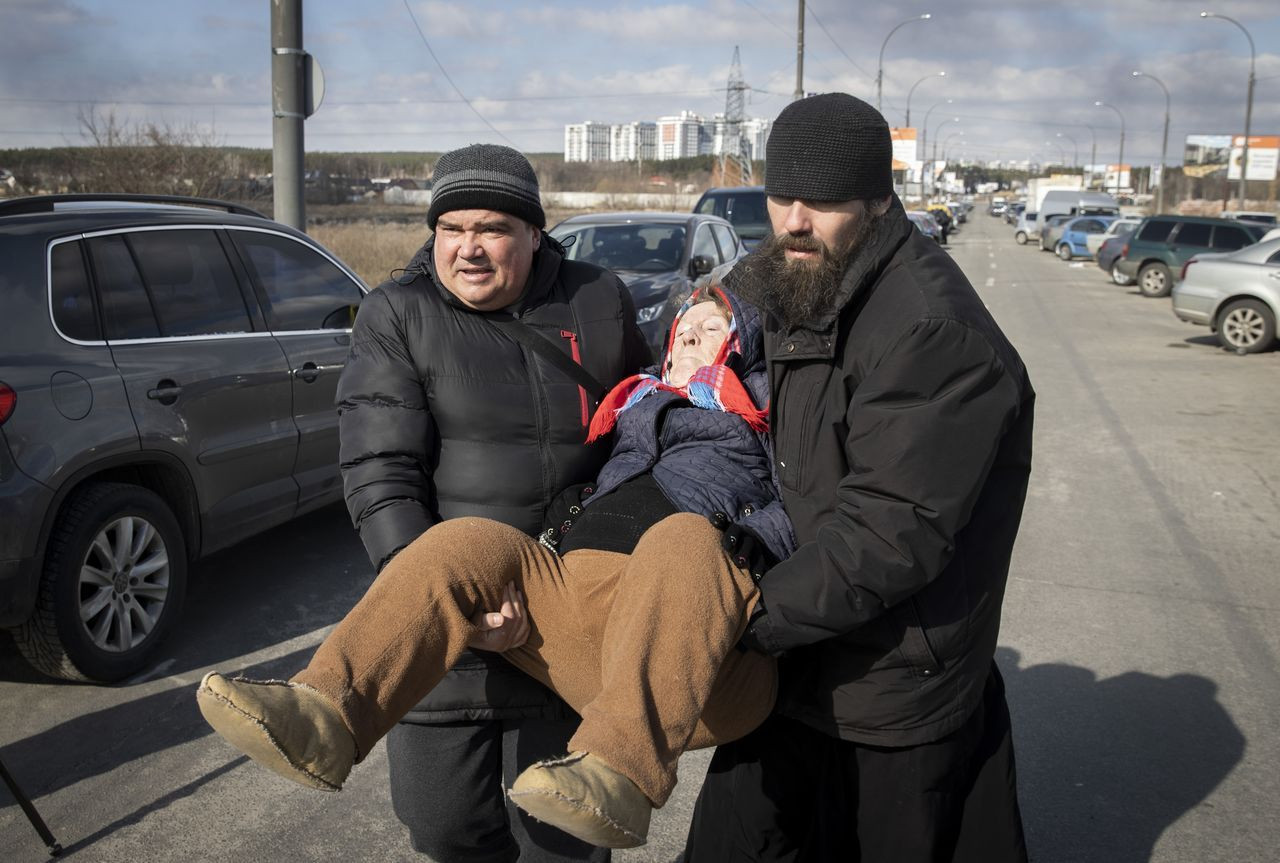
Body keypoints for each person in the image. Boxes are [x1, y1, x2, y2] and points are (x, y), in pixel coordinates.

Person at [196, 285, 793, 850]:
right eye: (684, 326)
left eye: (711, 327)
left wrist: (757, 542)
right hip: (585, 617)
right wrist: (567, 519)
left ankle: (620, 772)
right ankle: (324, 713)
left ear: (743, 347)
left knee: (684, 536)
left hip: (702, 647)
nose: (689, 335)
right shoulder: (636, 402)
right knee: (467, 541)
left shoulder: (771, 409)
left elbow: (815, 508)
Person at [683, 93, 1035, 862]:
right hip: (799, 646)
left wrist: (736, 620)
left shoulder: (930, 331)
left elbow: (887, 535)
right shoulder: (805, 266)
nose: (794, 220)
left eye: (823, 201)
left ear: (878, 200)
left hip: (890, 679)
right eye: (781, 196)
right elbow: (739, 300)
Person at [329, 143, 650, 863]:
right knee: (444, 826)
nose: (467, 248)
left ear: (535, 234)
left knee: (565, 839)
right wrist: (449, 604)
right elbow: (381, 470)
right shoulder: (397, 312)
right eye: (451, 228)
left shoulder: (599, 299)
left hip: (570, 620)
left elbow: (642, 431)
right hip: (452, 630)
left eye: (492, 229)